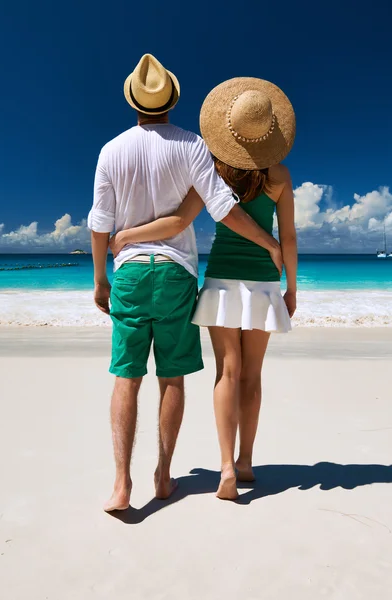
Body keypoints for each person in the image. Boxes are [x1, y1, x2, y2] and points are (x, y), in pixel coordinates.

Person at [88, 57, 282, 512]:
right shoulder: (192, 146)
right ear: (171, 101)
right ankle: (162, 475)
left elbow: (100, 224)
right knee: (171, 377)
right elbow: (223, 209)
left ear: (133, 101)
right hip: (175, 271)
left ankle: (121, 484)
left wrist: (100, 279)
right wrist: (269, 243)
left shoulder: (111, 150)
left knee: (125, 378)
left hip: (131, 271)